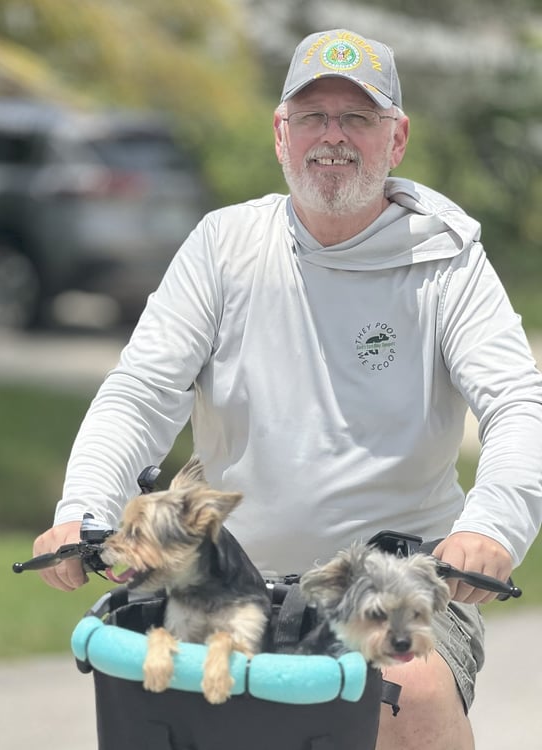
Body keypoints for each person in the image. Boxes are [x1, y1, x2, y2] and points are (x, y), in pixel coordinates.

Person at [33, 28, 542, 750]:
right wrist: (82, 508)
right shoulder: (223, 246)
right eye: (313, 117)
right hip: (231, 581)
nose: (332, 138)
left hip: (390, 582)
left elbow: (519, 404)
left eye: (357, 118)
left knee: (409, 687)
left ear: (396, 141)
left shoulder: (448, 260)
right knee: (142, 690)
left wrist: (492, 527)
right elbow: (140, 393)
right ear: (282, 135)